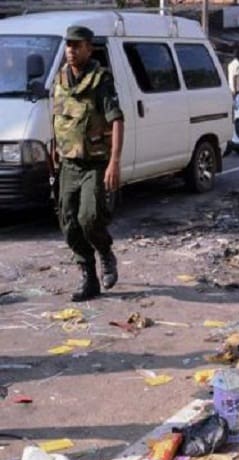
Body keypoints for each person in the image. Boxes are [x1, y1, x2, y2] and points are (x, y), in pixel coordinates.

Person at [53, 26, 124, 302]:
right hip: (67, 163)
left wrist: (114, 162)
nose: (71, 50)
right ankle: (88, 277)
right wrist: (53, 152)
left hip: (95, 162)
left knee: (89, 217)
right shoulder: (60, 78)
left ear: (88, 48)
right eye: (68, 45)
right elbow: (58, 118)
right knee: (68, 223)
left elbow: (117, 119)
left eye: (77, 45)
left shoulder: (100, 79)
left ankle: (105, 252)